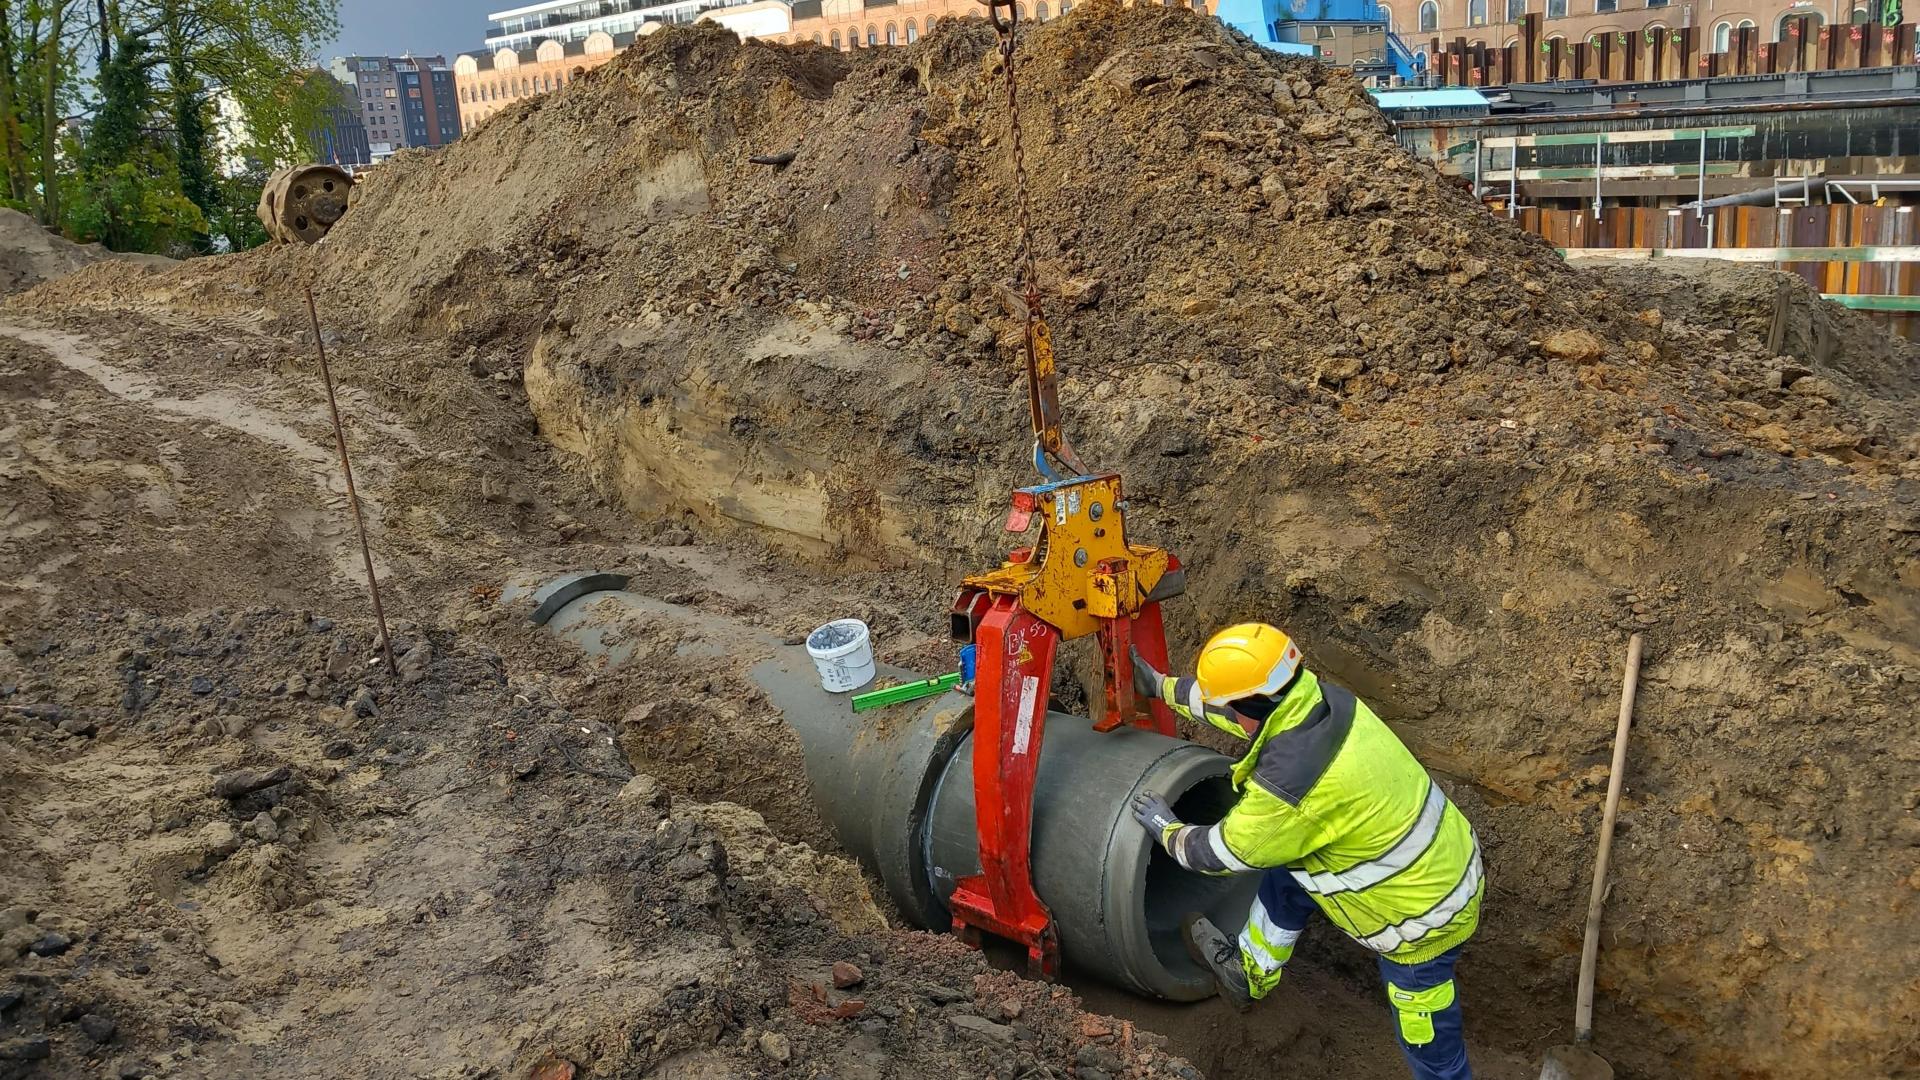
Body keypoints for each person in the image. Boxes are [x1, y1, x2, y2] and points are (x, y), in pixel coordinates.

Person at [1129, 623, 1482, 1080]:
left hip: (1421, 919)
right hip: (1441, 856)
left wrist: (1166, 826)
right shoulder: (1318, 699)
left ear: (1247, 707)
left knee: (1430, 1044)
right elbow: (1231, 706)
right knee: (1289, 871)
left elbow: (1218, 854)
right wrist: (1158, 686)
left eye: (1231, 707)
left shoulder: (1290, 786)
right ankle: (1248, 973)